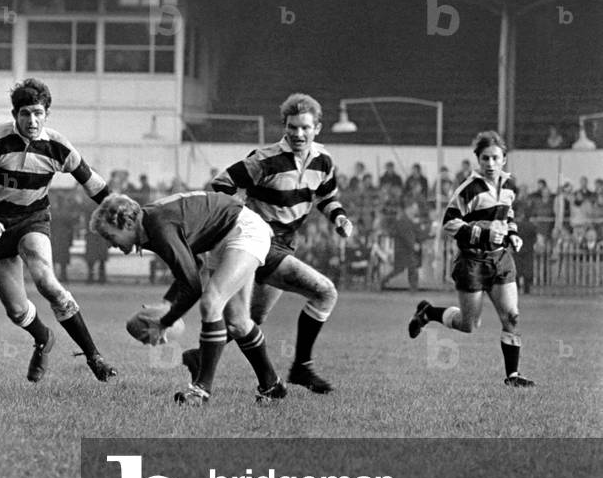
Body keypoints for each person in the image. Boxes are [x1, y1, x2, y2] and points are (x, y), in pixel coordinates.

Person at [184, 93, 354, 394]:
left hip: (285, 244)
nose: (298, 134)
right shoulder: (265, 159)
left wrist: (339, 218)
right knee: (325, 292)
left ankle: (200, 357)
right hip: (260, 243)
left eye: (304, 128)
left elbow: (327, 197)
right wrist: (238, 215)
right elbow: (222, 183)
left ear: (318, 127)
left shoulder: (324, 161)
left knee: (250, 319)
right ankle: (301, 367)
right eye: (292, 127)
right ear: (284, 126)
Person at [0, 78, 116, 383]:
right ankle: (42, 338)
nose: (32, 120)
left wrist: (119, 209)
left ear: (47, 114)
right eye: (25, 113)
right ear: (15, 114)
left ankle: (95, 356)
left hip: (33, 219)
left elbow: (93, 183)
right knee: (16, 311)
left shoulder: (58, 147)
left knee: (46, 282)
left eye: (38, 113)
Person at [91, 191, 281, 405]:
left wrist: (163, 321)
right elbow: (194, 265)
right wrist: (167, 304)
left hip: (243, 230)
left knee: (211, 302)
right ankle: (271, 385)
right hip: (225, 236)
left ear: (126, 224)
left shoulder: (159, 227)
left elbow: (192, 287)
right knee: (238, 322)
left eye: (109, 236)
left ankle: (201, 390)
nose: (109, 244)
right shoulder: (150, 223)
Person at [407, 131, 535, 388]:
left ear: (504, 159)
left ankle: (513, 377)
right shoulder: (469, 189)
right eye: (485, 158)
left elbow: (507, 216)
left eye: (495, 158)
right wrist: (483, 233)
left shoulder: (509, 185)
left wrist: (512, 235)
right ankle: (429, 312)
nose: (490, 163)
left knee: (512, 316)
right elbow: (449, 222)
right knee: (469, 324)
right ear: (478, 159)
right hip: (472, 262)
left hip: (500, 258)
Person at [380, 200, 427, 291]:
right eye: (414, 208)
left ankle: (413, 287)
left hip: (406, 250)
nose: (416, 210)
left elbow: (415, 232)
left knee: (405, 268)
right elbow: (406, 235)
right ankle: (413, 287)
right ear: (409, 208)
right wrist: (413, 245)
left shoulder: (408, 219)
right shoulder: (403, 220)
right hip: (402, 250)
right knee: (407, 267)